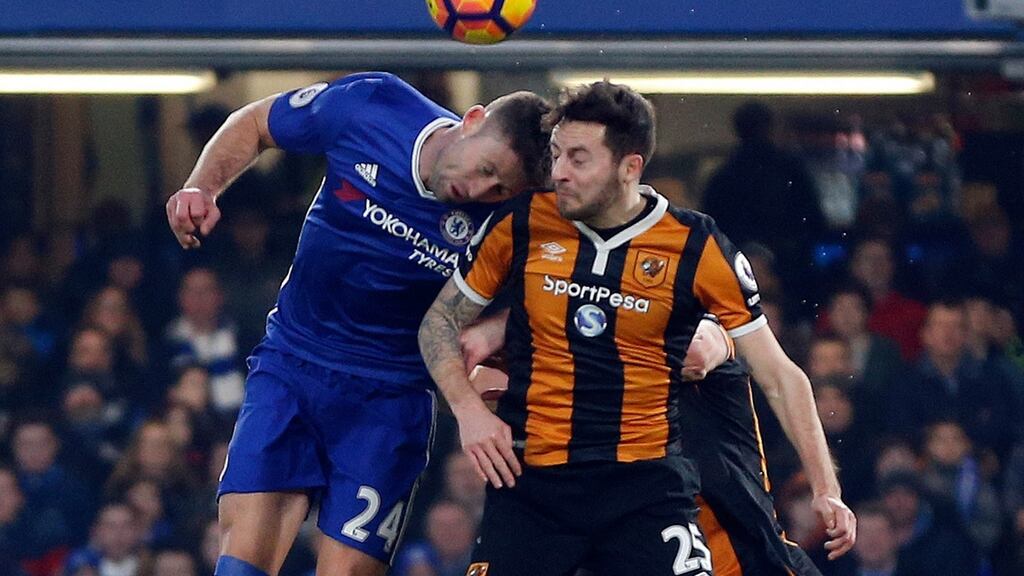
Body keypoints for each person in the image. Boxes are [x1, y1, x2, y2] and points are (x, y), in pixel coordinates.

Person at [418, 80, 854, 575]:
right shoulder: (522, 222)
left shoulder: (695, 244)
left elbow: (780, 376)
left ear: (629, 167)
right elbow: (439, 321)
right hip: (534, 485)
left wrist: (826, 490)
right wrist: (469, 412)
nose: (558, 173)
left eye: (578, 159)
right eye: (557, 155)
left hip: (645, 489)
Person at [165, 71, 552, 576]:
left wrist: (489, 336)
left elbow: (544, 291)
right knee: (241, 566)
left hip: (391, 400)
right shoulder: (374, 105)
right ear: (471, 120)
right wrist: (202, 186)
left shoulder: (515, 215)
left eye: (497, 186)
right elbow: (257, 122)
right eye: (483, 168)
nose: (476, 190)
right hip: (294, 364)